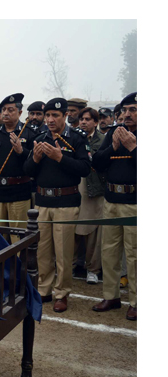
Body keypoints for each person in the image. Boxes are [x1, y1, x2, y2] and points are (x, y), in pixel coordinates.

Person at [23, 98, 91, 313]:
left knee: (63, 252)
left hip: (66, 202)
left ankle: (62, 292)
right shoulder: (40, 137)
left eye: (55, 116)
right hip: (43, 202)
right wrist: (34, 158)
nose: (50, 120)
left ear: (65, 117)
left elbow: (85, 168)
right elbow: (27, 170)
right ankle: (44, 289)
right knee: (43, 250)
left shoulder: (77, 138)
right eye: (48, 115)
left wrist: (60, 158)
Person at [91, 92, 137, 321]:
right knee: (108, 251)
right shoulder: (113, 133)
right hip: (111, 200)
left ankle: (137, 301)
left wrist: (134, 148)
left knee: (136, 254)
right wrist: (113, 147)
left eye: (134, 110)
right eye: (125, 110)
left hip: (136, 204)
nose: (127, 114)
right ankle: (111, 296)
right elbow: (97, 164)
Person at [0, 94, 38, 243]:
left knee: (18, 236)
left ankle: (18, 266)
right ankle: (1, 267)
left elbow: (35, 163)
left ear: (19, 112)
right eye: (3, 110)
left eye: (10, 110)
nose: (5, 113)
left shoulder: (29, 132)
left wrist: (21, 151)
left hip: (19, 192)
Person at [74, 107, 106, 284]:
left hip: (93, 190)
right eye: (82, 119)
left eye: (88, 119)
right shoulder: (73, 137)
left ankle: (92, 269)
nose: (84, 122)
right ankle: (70, 265)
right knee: (72, 227)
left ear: (95, 122)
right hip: (74, 187)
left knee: (93, 230)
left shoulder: (102, 140)